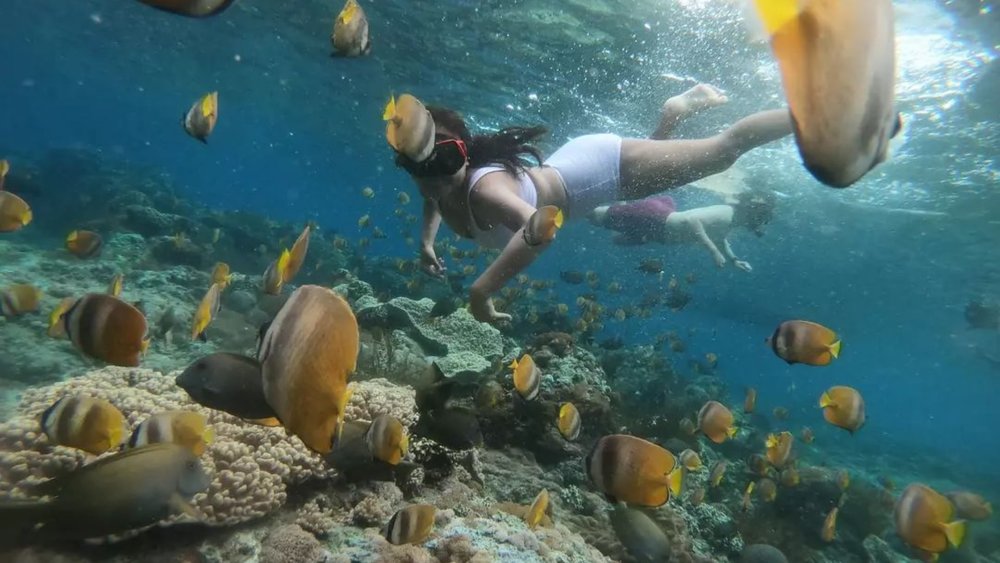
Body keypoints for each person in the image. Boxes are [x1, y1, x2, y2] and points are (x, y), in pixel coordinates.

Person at [393, 84, 792, 323]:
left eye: (445, 163)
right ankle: (673, 112)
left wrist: (480, 292)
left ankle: (810, 114)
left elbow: (541, 229)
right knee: (650, 180)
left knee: (723, 152)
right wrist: (426, 242)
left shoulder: (483, 190)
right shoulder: (440, 186)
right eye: (420, 169)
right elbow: (435, 198)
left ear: (465, 155)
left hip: (600, 171)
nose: (434, 179)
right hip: (580, 169)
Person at [588, 189, 776, 272]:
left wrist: (734, 259)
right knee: (595, 216)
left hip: (656, 231)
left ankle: (624, 203)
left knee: (617, 239)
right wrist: (713, 252)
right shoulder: (728, 213)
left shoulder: (733, 220)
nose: (760, 225)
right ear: (755, 214)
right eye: (762, 219)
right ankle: (565, 200)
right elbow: (691, 220)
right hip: (655, 220)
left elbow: (720, 237)